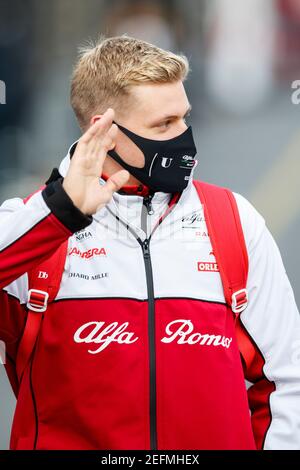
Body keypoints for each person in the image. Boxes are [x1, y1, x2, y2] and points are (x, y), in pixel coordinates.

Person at [0, 36, 299, 451]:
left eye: (184, 119)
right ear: (103, 132)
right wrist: (60, 213)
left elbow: (287, 380)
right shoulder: (30, 227)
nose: (185, 138)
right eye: (163, 125)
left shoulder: (234, 220)